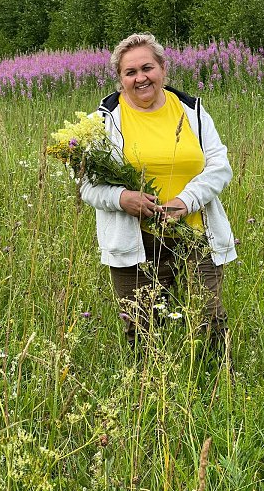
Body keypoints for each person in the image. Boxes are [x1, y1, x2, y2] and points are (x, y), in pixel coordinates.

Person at [80, 33, 237, 356]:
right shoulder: (103, 121)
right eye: (130, 72)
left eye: (147, 68)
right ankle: (148, 385)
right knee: (141, 330)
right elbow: (86, 185)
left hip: (194, 234)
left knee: (209, 320)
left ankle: (221, 380)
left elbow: (220, 167)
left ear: (163, 68)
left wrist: (185, 202)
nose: (140, 78)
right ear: (120, 78)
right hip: (135, 241)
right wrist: (122, 198)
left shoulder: (191, 111)